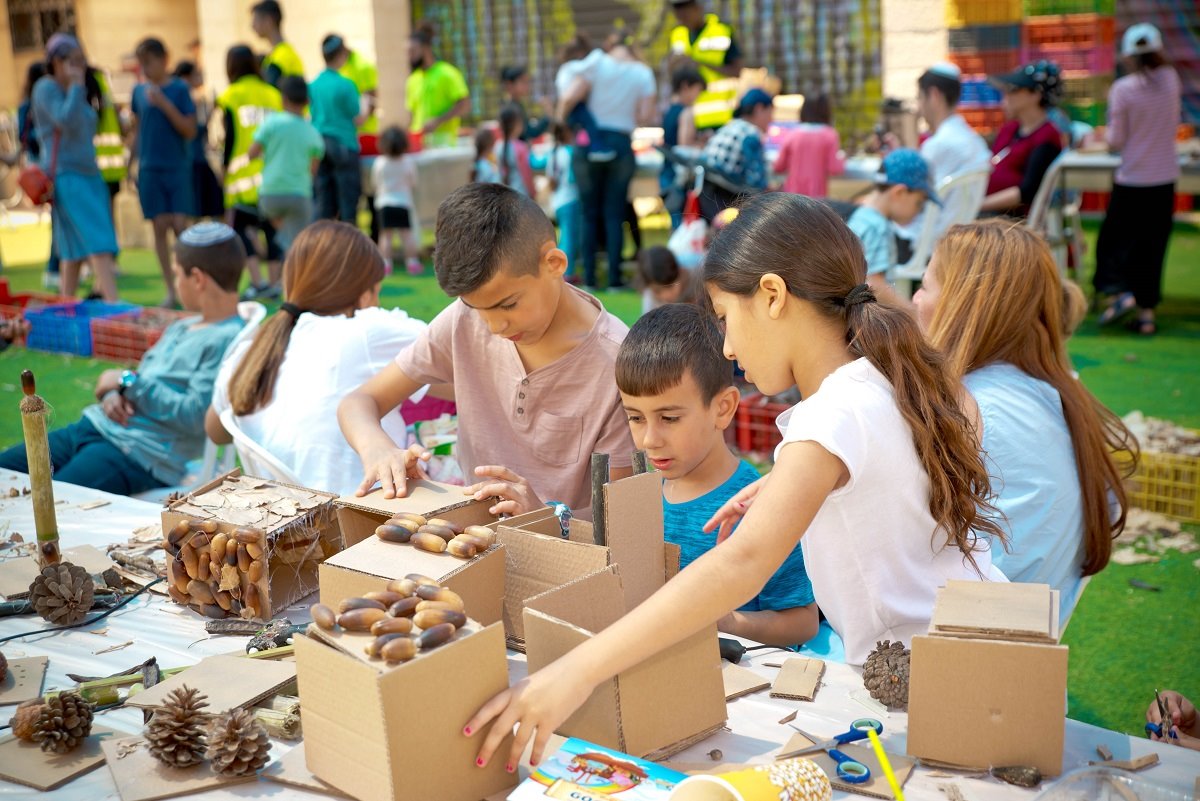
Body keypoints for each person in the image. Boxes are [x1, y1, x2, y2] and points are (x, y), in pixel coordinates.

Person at [464, 193, 1008, 768]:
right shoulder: (880, 377)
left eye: (725, 318)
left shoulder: (832, 415)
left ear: (771, 296)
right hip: (972, 656)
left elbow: (741, 561)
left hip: (940, 684)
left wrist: (578, 670)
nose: (725, 346)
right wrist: (782, 484)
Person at [338, 182, 635, 512]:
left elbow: (619, 520)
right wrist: (378, 449)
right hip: (473, 542)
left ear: (553, 263)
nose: (494, 326)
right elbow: (359, 403)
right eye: (478, 307)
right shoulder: (463, 320)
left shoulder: (617, 363)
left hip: (567, 555)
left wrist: (543, 517)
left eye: (507, 305)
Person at [913, 221, 1136, 625]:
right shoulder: (1055, 394)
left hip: (964, 656)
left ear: (963, 304)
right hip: (1021, 652)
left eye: (926, 286)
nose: (915, 299)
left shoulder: (978, 411)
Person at [617, 305, 817, 646]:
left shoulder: (762, 505)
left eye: (669, 418)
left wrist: (728, 621)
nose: (649, 440)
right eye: (635, 418)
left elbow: (802, 622)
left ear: (723, 408)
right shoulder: (639, 498)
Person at [0, 222, 244, 495]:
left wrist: (126, 381)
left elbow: (196, 415)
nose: (175, 283)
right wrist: (112, 392)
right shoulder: (183, 326)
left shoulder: (229, 339)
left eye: (176, 275)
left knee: (50, 503)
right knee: (4, 473)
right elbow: (141, 377)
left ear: (197, 279)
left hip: (138, 453)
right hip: (93, 426)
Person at [207, 221, 426, 497]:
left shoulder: (253, 351)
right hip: (361, 518)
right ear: (363, 293)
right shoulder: (367, 331)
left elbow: (216, 431)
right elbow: (450, 353)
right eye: (377, 291)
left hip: (277, 523)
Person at [1094, 23, 1182, 337]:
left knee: (1113, 245)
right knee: (1153, 247)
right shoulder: (1171, 80)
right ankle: (1147, 316)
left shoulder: (1123, 89)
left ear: (1129, 55)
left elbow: (1116, 140)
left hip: (1132, 179)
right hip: (1164, 179)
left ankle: (1120, 294)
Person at [558, 31, 657, 290]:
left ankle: (589, 278)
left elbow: (569, 97)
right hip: (621, 143)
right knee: (615, 214)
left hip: (588, 143)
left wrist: (559, 121)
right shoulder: (643, 73)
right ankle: (614, 279)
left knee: (589, 214)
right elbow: (645, 114)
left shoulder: (597, 62)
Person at [32, 34, 119, 301]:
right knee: (98, 239)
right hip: (66, 174)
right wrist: (76, 87)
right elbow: (65, 120)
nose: (78, 66)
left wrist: (77, 87)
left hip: (87, 172)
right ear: (56, 61)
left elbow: (89, 124)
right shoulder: (46, 88)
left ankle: (66, 305)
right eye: (72, 60)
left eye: (81, 61)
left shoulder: (75, 88)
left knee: (72, 249)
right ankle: (114, 304)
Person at [131, 38, 198, 308]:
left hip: (176, 166)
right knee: (159, 225)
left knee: (180, 225)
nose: (146, 69)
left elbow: (190, 130)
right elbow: (137, 130)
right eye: (142, 63)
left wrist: (163, 104)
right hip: (149, 168)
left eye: (149, 62)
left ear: (163, 60)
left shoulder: (180, 90)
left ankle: (191, 286)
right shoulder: (138, 92)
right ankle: (171, 289)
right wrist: (130, 163)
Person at [217, 45, 284, 300]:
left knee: (240, 230)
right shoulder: (273, 94)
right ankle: (275, 282)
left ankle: (258, 282)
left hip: (241, 178)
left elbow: (229, 136)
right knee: (272, 230)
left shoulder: (230, 96)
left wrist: (223, 169)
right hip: (273, 175)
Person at [846, 148, 937, 301]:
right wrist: (910, 314)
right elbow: (874, 283)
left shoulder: (862, 216)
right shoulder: (878, 227)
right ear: (899, 193)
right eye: (919, 203)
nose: (919, 211)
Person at [913, 63, 991, 236]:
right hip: (955, 238)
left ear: (934, 95)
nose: (918, 107)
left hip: (924, 241)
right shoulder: (976, 141)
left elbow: (910, 202)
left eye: (919, 98)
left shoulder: (938, 144)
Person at [980, 60, 1064, 216]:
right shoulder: (1009, 129)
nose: (1006, 96)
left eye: (1013, 90)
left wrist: (977, 206)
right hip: (986, 210)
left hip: (1008, 220)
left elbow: (1027, 192)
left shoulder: (1047, 136)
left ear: (1035, 95)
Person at [251, 75, 324, 254]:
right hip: (299, 194)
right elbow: (313, 170)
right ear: (307, 101)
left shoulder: (272, 123)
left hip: (270, 194)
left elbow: (252, 152)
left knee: (286, 237)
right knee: (298, 243)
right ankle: (288, 250)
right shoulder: (312, 132)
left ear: (283, 98)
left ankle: (283, 246)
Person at [698, 88, 773, 221]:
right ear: (759, 108)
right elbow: (756, 180)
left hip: (704, 186)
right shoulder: (751, 133)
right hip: (723, 192)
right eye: (770, 113)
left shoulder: (732, 125)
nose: (771, 119)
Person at [309, 35, 362, 223]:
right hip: (343, 145)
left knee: (323, 203)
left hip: (319, 145)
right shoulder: (346, 85)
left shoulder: (313, 85)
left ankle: (321, 247)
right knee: (348, 204)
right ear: (340, 54)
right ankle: (350, 248)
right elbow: (357, 117)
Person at [668, 0, 743, 131]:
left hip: (720, 116)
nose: (681, 19)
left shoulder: (721, 31)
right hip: (688, 116)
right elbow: (672, 75)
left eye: (685, 13)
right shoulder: (677, 34)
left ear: (698, 8)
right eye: (678, 14)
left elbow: (737, 71)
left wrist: (698, 63)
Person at [174, 61, 225, 220]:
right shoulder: (184, 99)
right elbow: (195, 131)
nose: (200, 78)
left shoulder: (190, 99)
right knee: (198, 209)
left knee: (209, 206)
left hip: (197, 159)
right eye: (196, 74)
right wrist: (211, 111)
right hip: (193, 161)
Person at [406, 22, 470, 148]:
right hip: (420, 145)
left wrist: (438, 120)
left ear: (425, 49)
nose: (410, 57)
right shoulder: (412, 79)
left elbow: (465, 105)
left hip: (444, 145)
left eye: (413, 51)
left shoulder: (447, 73)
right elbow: (412, 116)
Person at [774, 93, 845, 198]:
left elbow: (779, 166)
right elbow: (835, 168)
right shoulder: (829, 135)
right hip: (816, 198)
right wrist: (843, 158)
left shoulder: (792, 134)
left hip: (792, 196)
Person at [372, 126, 421, 276]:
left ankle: (386, 264)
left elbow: (375, 182)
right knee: (407, 235)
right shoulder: (408, 162)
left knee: (385, 236)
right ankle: (412, 262)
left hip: (384, 202)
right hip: (403, 202)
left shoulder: (380, 162)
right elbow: (414, 181)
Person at [661, 65, 706, 227]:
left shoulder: (668, 111)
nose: (698, 96)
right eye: (697, 90)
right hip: (678, 176)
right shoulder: (686, 112)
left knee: (676, 222)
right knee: (683, 224)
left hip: (666, 173)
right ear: (686, 86)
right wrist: (703, 143)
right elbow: (685, 145)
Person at [547, 121, 581, 281]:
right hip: (570, 198)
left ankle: (565, 270)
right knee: (569, 238)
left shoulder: (553, 152)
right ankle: (565, 272)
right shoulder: (570, 152)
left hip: (558, 200)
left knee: (564, 237)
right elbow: (573, 178)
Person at [251, 0, 304, 88]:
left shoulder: (281, 58)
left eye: (256, 20)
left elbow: (271, 91)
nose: (252, 25)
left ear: (269, 20)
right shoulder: (278, 54)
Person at [637, 245, 701, 312]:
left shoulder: (697, 277)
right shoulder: (650, 299)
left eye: (670, 286)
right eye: (657, 291)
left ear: (681, 271)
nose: (665, 296)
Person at [500, 64, 550, 142]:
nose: (527, 85)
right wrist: (547, 115)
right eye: (523, 82)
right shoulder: (512, 109)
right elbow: (530, 133)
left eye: (527, 82)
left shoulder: (515, 105)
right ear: (509, 84)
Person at [496, 103, 534, 197]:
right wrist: (533, 192)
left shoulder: (497, 146)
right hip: (521, 195)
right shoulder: (521, 147)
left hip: (505, 196)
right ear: (517, 124)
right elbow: (526, 174)